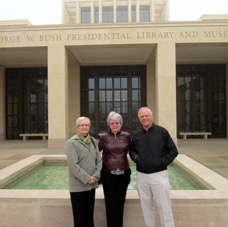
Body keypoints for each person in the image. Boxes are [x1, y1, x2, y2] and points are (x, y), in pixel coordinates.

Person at [129, 107, 178, 227]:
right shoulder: (137, 135)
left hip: (159, 175)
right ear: (139, 119)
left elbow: (173, 151)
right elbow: (132, 151)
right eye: (142, 117)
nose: (144, 118)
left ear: (152, 117)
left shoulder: (162, 132)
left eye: (146, 115)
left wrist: (161, 162)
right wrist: (137, 159)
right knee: (146, 207)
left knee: (164, 207)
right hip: (142, 176)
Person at [65, 116, 102, 227]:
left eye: (87, 125)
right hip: (78, 187)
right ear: (77, 128)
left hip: (91, 186)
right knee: (79, 218)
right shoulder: (71, 143)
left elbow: (99, 161)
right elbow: (73, 165)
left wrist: (95, 176)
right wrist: (87, 178)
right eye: (82, 125)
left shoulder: (93, 141)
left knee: (89, 216)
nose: (85, 127)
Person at [98, 111, 131, 227]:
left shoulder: (127, 136)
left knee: (120, 204)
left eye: (117, 123)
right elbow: (95, 154)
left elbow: (134, 151)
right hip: (109, 176)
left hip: (123, 175)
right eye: (112, 123)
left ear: (121, 124)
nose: (115, 125)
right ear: (109, 124)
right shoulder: (104, 138)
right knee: (110, 204)